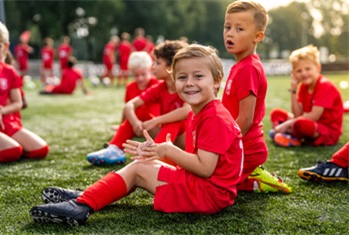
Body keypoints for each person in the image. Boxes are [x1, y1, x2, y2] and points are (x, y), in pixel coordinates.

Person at [29, 44, 244, 226]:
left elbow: (205, 168)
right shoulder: (206, 111)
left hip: (208, 196)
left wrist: (168, 150)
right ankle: (88, 196)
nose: (189, 82)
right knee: (142, 164)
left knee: (139, 169)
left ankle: (81, 206)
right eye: (182, 77)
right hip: (207, 189)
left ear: (217, 80)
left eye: (198, 76)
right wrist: (157, 152)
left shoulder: (214, 117)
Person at [222, 1, 291, 193]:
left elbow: (245, 119)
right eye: (227, 27)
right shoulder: (241, 64)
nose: (230, 33)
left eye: (239, 28)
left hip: (246, 146)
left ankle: (254, 178)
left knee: (207, 177)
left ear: (257, 36)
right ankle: (247, 174)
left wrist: (220, 146)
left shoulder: (248, 69)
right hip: (240, 143)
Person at [87, 40, 190, 166]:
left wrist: (156, 121)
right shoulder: (160, 87)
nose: (153, 67)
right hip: (166, 138)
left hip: (187, 141)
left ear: (170, 67)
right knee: (140, 112)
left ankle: (154, 157)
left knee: (175, 121)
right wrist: (136, 123)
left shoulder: (186, 85)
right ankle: (115, 148)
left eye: (157, 63)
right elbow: (130, 105)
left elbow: (186, 111)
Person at [88, 51, 160, 165]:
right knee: (133, 110)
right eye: (136, 75)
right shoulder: (131, 87)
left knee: (140, 110)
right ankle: (115, 148)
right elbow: (126, 110)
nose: (140, 78)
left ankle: (115, 148)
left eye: (143, 74)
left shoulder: (157, 84)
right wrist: (122, 125)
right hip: (137, 127)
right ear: (132, 73)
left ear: (150, 70)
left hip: (154, 127)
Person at [269, 45, 343, 147]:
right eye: (299, 71)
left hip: (326, 130)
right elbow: (297, 114)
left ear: (318, 68)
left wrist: (287, 124)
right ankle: (285, 134)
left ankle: (288, 134)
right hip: (308, 122)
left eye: (308, 69)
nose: (304, 73)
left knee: (300, 125)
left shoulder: (324, 85)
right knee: (276, 113)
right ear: (294, 73)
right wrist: (294, 89)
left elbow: (313, 116)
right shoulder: (303, 87)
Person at [0, 21, 49, 163]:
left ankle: (7, 143)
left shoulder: (9, 70)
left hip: (8, 122)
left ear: (5, 47)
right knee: (13, 151)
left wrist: (1, 111)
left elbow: (19, 103)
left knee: (41, 150)